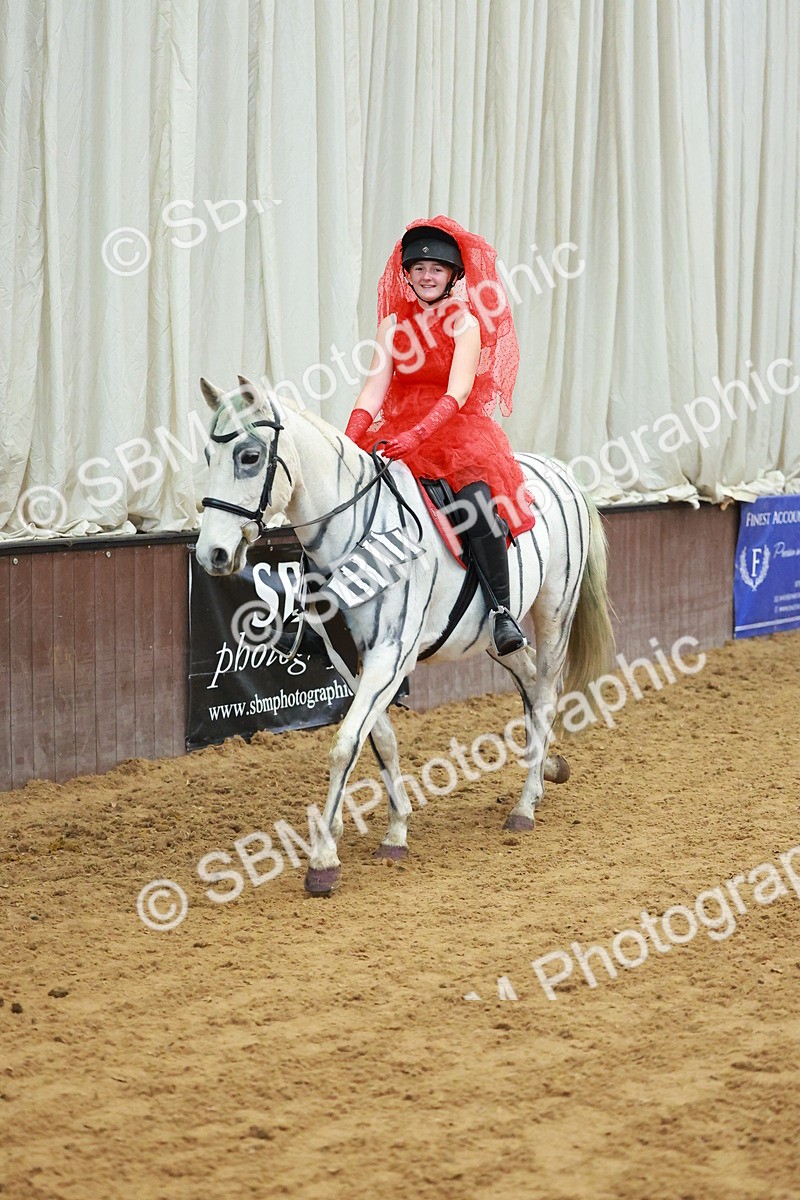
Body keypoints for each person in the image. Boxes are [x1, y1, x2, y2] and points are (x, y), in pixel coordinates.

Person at [344, 216, 535, 656]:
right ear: (407, 274)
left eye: (436, 270)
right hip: (398, 426)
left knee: (477, 505)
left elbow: (459, 389)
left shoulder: (465, 323)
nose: (427, 276)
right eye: (419, 270)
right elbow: (374, 388)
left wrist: (419, 435)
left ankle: (501, 612)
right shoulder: (392, 325)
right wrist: (349, 438)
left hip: (454, 430)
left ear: (452, 276)